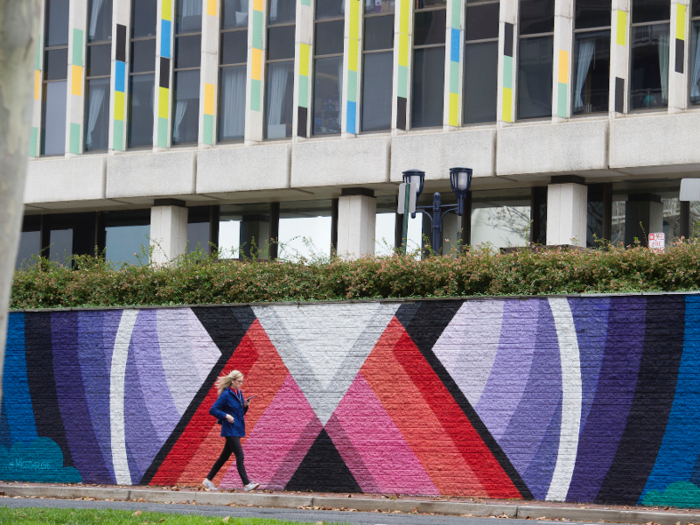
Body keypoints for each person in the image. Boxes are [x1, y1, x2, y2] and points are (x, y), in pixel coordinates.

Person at [202, 370, 259, 492]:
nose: (241, 384)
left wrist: (245, 406)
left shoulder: (239, 393)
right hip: (230, 429)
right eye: (239, 381)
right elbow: (213, 410)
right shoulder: (226, 394)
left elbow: (240, 414)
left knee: (224, 457)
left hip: (237, 428)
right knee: (240, 455)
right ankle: (246, 484)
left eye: (242, 381)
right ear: (232, 381)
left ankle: (208, 480)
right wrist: (226, 416)